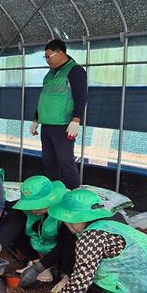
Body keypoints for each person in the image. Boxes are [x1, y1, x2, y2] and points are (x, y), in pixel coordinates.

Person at [29, 39, 88, 189]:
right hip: (47, 125)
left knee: (65, 162)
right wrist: (36, 118)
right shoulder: (50, 74)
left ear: (60, 53)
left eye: (49, 56)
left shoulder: (75, 70)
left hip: (63, 126)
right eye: (45, 57)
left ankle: (73, 194)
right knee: (48, 161)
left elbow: (81, 96)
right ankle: (52, 193)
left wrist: (76, 120)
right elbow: (44, 97)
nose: (47, 60)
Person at [0, 175, 67, 270]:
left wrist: (42, 265)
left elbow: (64, 245)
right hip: (38, 248)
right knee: (17, 234)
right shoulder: (28, 210)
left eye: (36, 205)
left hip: (59, 250)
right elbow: (11, 228)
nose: (32, 210)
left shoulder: (65, 214)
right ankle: (34, 260)